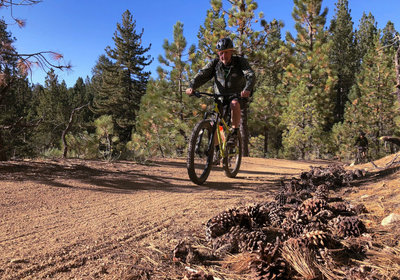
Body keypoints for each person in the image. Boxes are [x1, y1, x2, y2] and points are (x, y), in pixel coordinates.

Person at [186, 37, 256, 164]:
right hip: (220, 97)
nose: (223, 56)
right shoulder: (215, 64)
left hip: (237, 96)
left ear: (231, 52)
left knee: (234, 104)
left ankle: (234, 133)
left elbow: (250, 75)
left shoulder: (240, 62)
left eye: (226, 52)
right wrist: (192, 86)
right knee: (216, 125)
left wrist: (247, 89)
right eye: (221, 53)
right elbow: (202, 75)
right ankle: (218, 151)